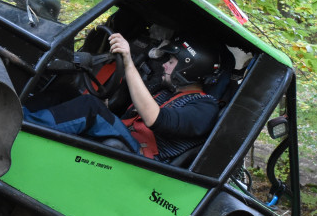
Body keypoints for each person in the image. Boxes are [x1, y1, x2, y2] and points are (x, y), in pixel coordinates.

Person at [22, 33, 220, 162]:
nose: (165, 66)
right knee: (67, 92)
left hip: (141, 159)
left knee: (90, 106)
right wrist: (106, 107)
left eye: (171, 61)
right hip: (127, 139)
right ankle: (16, 111)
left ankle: (21, 125)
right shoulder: (167, 93)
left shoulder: (205, 106)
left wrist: (128, 62)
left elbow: (155, 119)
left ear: (189, 69)